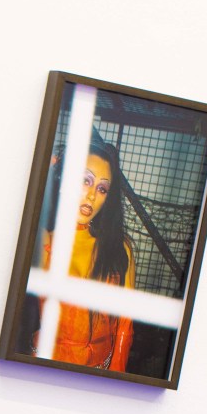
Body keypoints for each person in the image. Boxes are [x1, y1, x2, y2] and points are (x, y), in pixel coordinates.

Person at [39, 135, 136, 370]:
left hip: (99, 371)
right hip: (44, 368)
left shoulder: (118, 247)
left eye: (102, 188)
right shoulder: (41, 242)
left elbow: (125, 323)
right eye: (85, 181)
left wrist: (114, 381)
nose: (92, 195)